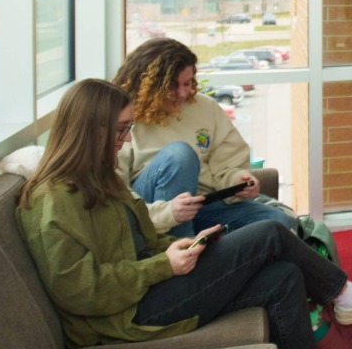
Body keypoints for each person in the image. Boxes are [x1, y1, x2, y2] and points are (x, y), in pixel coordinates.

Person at [16, 79, 352, 349]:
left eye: (127, 129)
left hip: (147, 287)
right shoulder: (54, 199)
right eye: (119, 131)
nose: (124, 142)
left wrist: (181, 246)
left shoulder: (101, 177)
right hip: (124, 313)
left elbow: (142, 240)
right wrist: (161, 267)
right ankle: (346, 296)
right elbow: (78, 289)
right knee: (272, 235)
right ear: (90, 130)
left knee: (284, 275)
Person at [113, 38, 294, 237]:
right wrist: (169, 212)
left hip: (203, 206)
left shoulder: (205, 108)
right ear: (149, 85)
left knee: (278, 222)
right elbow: (116, 193)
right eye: (173, 86)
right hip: (151, 214)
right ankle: (178, 248)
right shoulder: (122, 118)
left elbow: (226, 166)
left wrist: (238, 181)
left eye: (188, 83)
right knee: (180, 155)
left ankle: (202, 252)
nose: (183, 93)